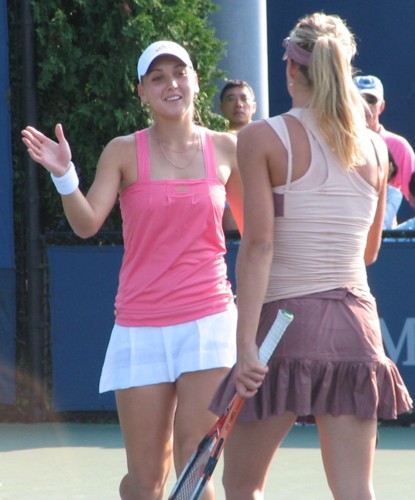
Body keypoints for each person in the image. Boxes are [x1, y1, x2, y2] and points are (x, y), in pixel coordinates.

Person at [22, 40, 243, 500]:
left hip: (209, 321)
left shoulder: (228, 150)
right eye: (157, 78)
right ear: (141, 92)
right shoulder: (122, 152)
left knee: (195, 465)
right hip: (140, 325)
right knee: (145, 482)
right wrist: (65, 177)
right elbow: (86, 224)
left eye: (179, 73)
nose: (171, 84)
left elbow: (259, 233)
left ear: (196, 81)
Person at [210, 12, 413, 500]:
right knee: (355, 490)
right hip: (356, 328)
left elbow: (258, 246)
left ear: (291, 70)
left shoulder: (260, 137)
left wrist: (244, 347)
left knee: (241, 487)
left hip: (284, 324)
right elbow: (369, 251)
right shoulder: (376, 150)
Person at [354, 74, 415, 206]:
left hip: (384, 226)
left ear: (381, 106)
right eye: (359, 100)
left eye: (370, 100)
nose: (365, 106)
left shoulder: (399, 147)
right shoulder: (337, 143)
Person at [219, 79, 256, 231]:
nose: (238, 104)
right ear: (221, 107)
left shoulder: (268, 142)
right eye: (231, 99)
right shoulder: (214, 144)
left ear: (254, 107)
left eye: (244, 98)